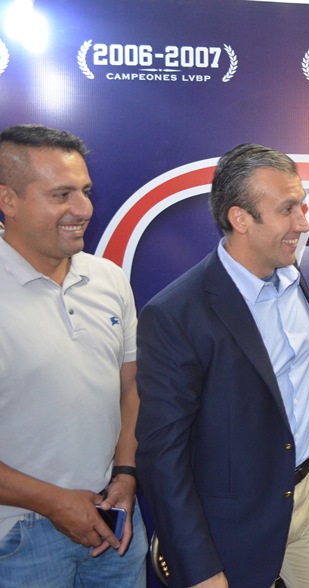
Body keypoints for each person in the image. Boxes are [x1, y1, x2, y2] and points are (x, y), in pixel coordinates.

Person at [135, 144, 309, 588]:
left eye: (302, 205)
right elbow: (163, 455)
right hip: (237, 519)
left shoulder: (292, 277)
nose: (303, 223)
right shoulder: (176, 313)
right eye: (287, 209)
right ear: (240, 219)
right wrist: (198, 568)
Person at [0, 124, 147, 586]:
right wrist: (52, 501)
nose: (82, 209)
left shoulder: (108, 278)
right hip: (18, 537)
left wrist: (126, 474)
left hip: (115, 520)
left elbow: (131, 386)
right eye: (61, 195)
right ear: (8, 200)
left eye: (84, 191)